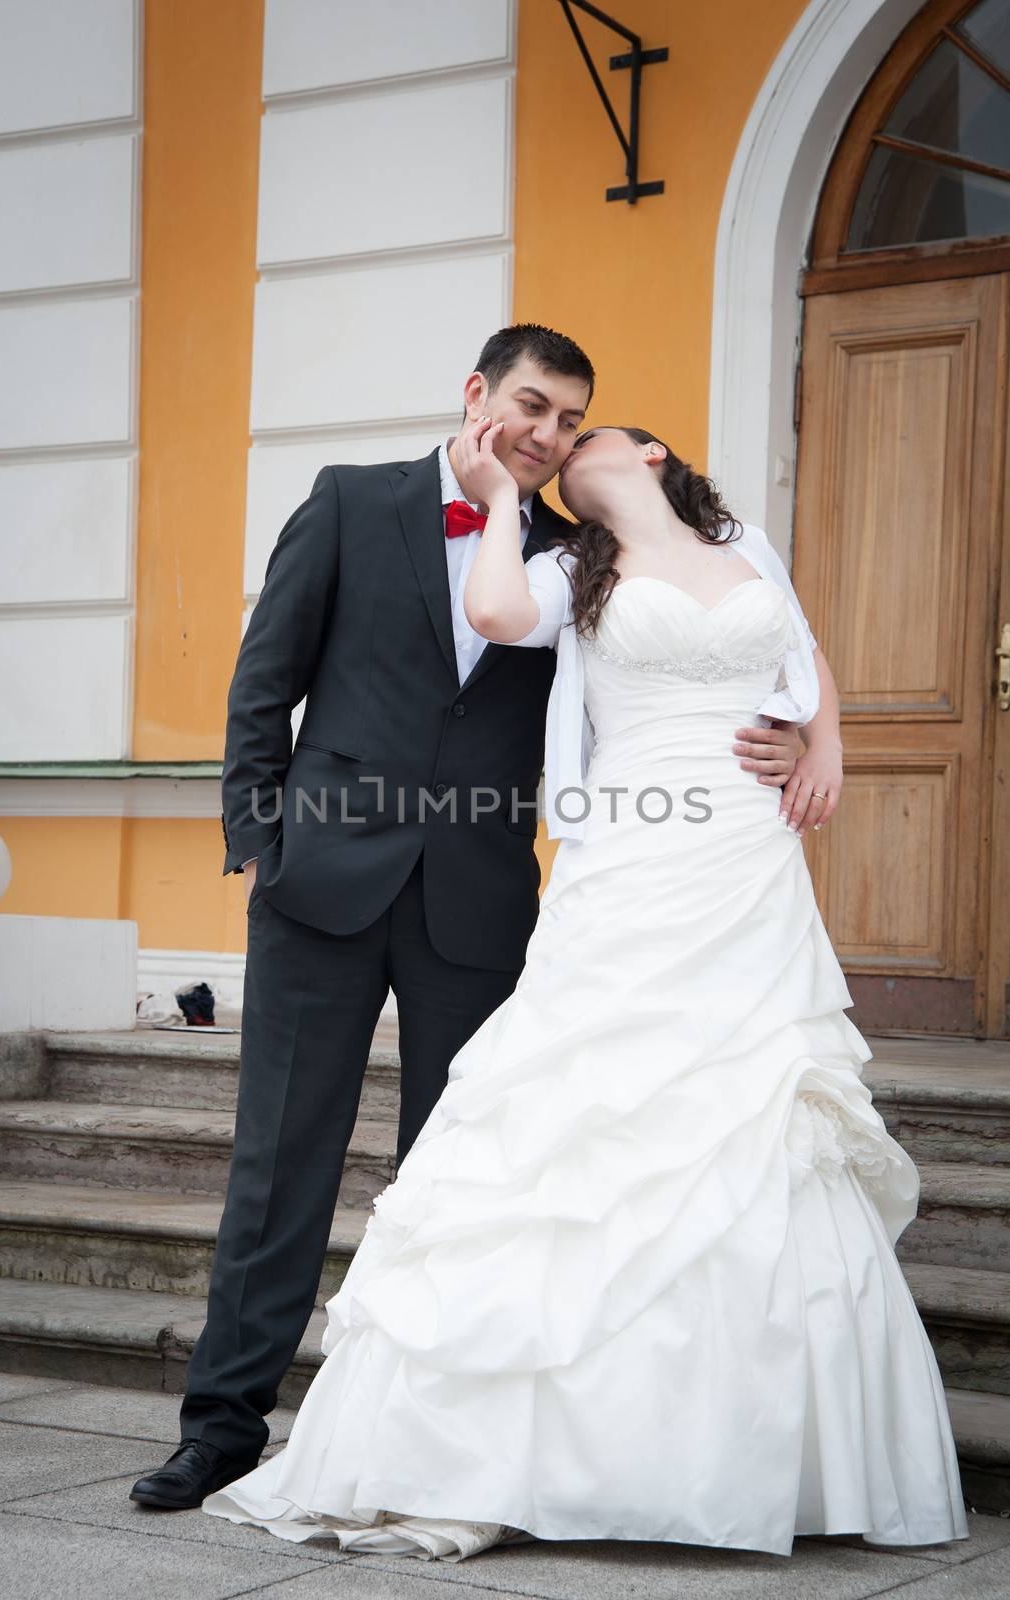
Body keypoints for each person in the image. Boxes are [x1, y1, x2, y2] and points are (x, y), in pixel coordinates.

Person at [198, 423, 969, 1558]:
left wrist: (827, 748)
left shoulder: (741, 540)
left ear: (652, 452)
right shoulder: (574, 564)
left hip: (744, 857)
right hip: (635, 845)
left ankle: (756, 1446)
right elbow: (498, 616)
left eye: (583, 435)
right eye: (547, 451)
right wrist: (501, 504)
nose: (561, 456)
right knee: (587, 1105)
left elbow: (803, 659)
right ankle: (458, 1442)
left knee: (748, 1103)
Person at [128, 326, 807, 1512]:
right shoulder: (350, 501)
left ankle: (395, 1429)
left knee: (450, 1178)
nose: (545, 438)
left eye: (565, 420)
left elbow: (699, 655)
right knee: (279, 1165)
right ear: (477, 393)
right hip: (321, 887)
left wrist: (796, 728)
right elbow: (264, 680)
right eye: (532, 407)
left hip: (482, 903)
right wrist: (260, 843)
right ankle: (222, 1427)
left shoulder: (577, 554)